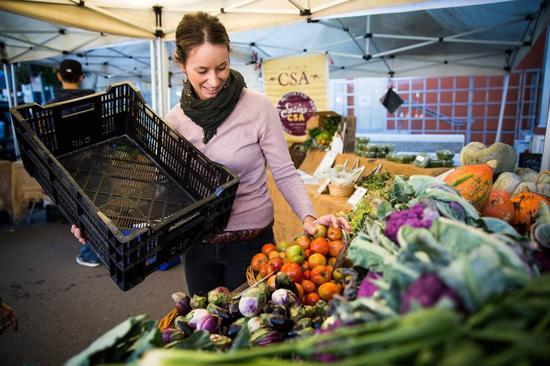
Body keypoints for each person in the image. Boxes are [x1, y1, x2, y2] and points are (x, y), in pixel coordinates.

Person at [72, 12, 350, 294]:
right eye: (202, 71)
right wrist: (103, 223)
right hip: (197, 247)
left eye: (222, 67)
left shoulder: (258, 108)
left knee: (252, 330)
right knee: (207, 327)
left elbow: (284, 172)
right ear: (181, 65)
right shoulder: (174, 121)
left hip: (252, 245)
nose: (214, 81)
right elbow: (162, 192)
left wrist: (309, 217)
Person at [49, 59, 100, 268]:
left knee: (82, 213)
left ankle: (92, 253)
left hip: (67, 170)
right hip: (98, 164)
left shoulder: (50, 107)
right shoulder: (95, 102)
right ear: (81, 77)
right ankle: (96, 251)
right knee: (99, 209)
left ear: (59, 76)